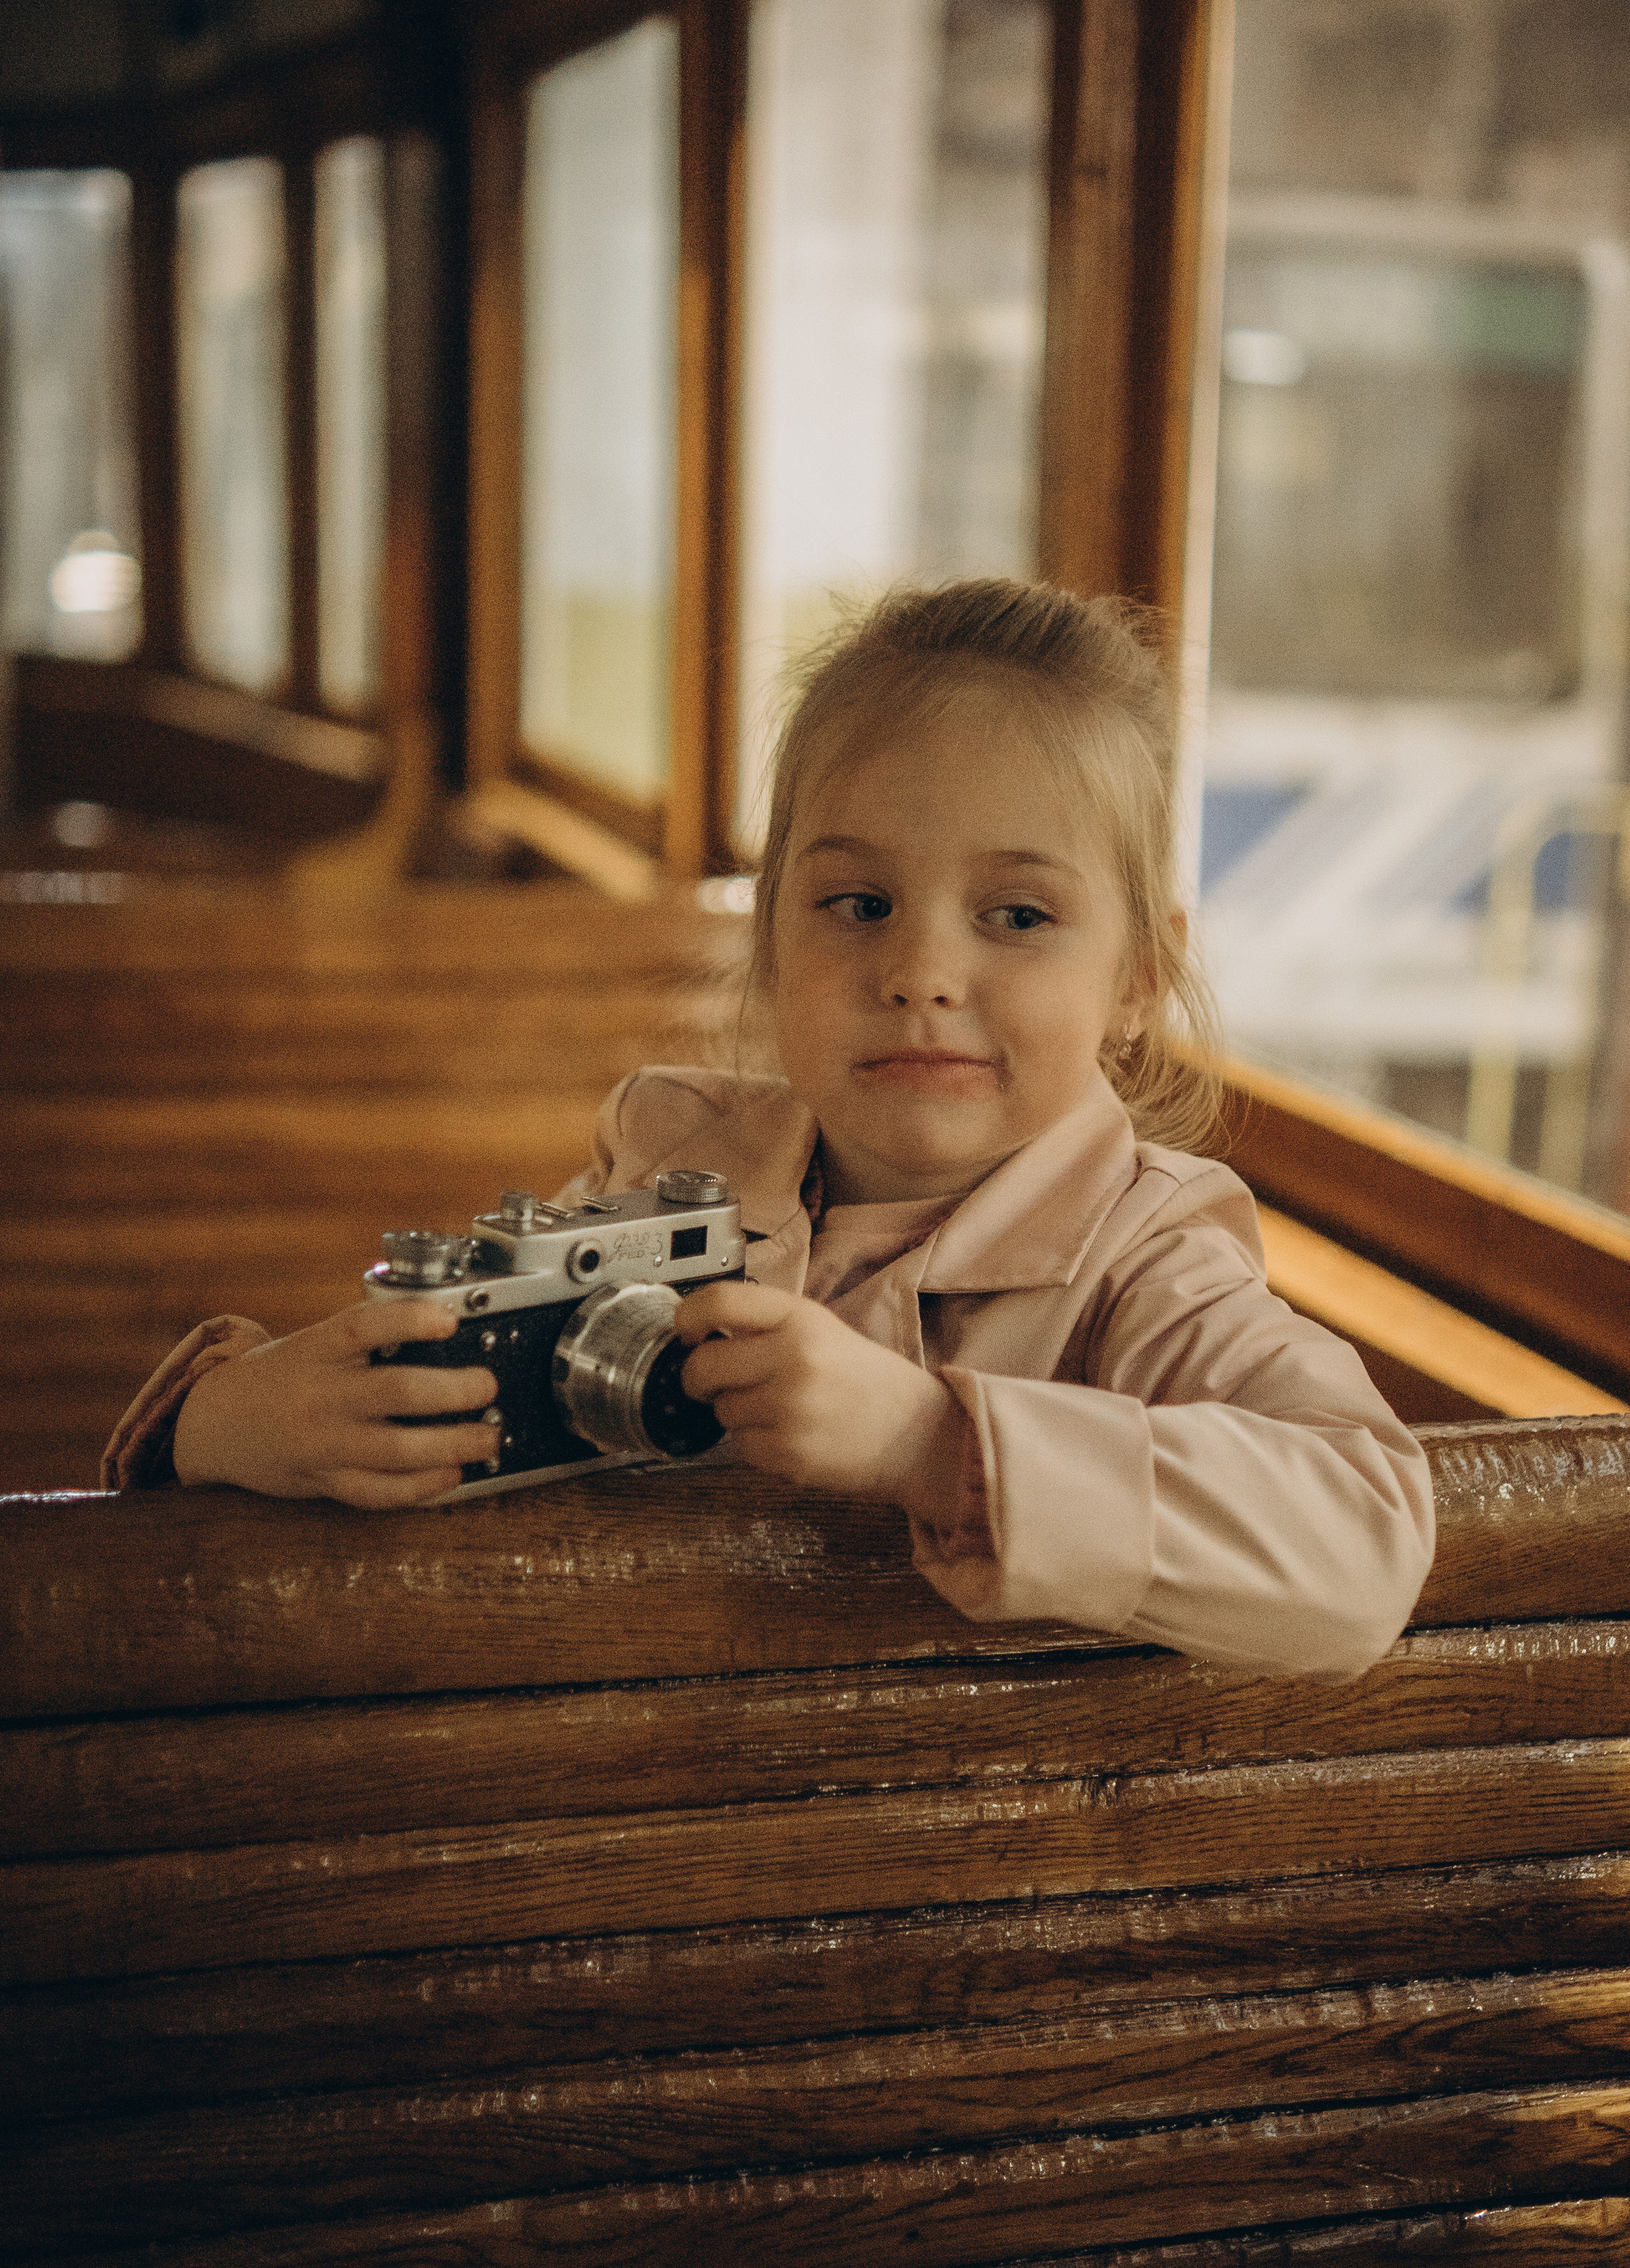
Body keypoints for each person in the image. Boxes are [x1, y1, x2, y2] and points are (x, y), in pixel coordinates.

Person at [104, 580, 1433, 1679]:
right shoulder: (668, 1160)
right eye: (858, 904)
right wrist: (229, 1421)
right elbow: (457, 1443)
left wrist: (930, 1444)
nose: (920, 971)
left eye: (1017, 917)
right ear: (773, 943)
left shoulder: (1146, 1258)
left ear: (1136, 978)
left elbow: (1365, 1545)